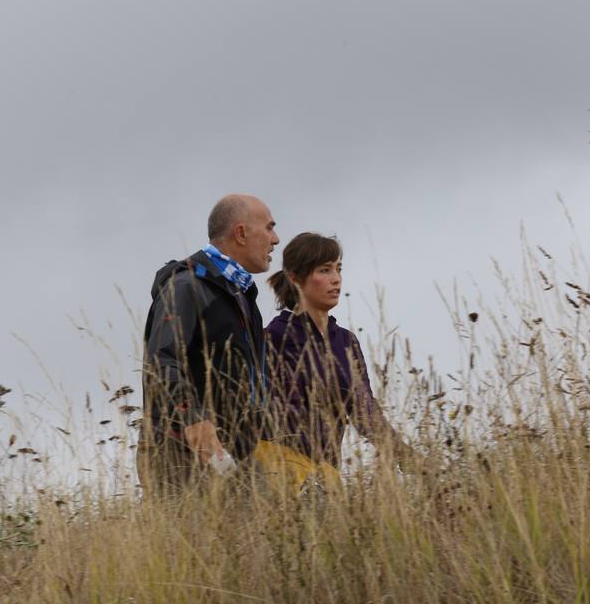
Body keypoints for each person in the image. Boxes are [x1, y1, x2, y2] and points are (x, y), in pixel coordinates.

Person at [140, 193, 279, 492]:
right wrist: (193, 418)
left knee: (273, 529)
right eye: (269, 228)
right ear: (241, 233)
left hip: (235, 453)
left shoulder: (241, 295)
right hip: (183, 456)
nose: (276, 239)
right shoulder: (185, 286)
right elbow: (161, 362)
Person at [262, 232, 411, 486]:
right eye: (324, 270)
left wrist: (404, 455)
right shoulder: (273, 337)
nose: (336, 280)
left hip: (327, 474)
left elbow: (364, 410)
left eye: (338, 269)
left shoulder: (345, 342)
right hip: (281, 471)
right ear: (295, 278)